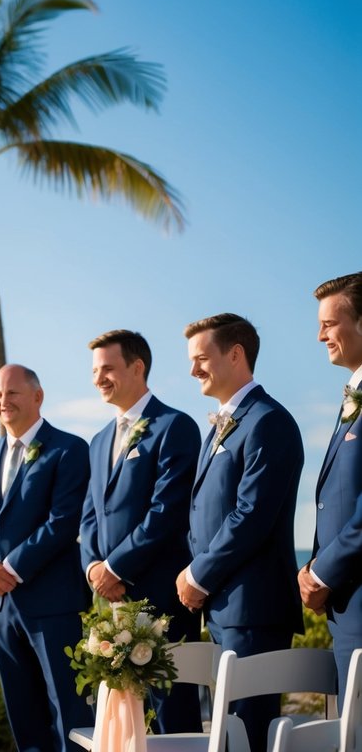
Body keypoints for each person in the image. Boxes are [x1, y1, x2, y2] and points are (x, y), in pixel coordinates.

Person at [178, 313, 303, 752]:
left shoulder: (268, 421)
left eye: (201, 358)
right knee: (226, 734)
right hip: (226, 607)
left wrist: (197, 575)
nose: (193, 370)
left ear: (235, 354)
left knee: (246, 735)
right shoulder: (225, 423)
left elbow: (252, 515)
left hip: (253, 610)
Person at [0, 364, 92, 752]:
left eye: (12, 393)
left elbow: (64, 521)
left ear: (37, 397)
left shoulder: (69, 449)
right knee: (24, 717)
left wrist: (11, 568)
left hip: (53, 605)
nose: (4, 401)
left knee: (70, 714)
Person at [81, 330, 202, 732]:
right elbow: (89, 516)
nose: (99, 378)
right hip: (111, 603)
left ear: (138, 367)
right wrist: (94, 568)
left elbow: (166, 512)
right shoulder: (98, 441)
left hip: (161, 598)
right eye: (95, 370)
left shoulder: (175, 427)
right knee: (124, 717)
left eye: (108, 368)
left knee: (172, 717)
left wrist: (116, 569)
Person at [301, 273, 362, 699]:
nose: (319, 334)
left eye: (329, 323)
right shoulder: (350, 397)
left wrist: (320, 572)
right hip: (347, 607)